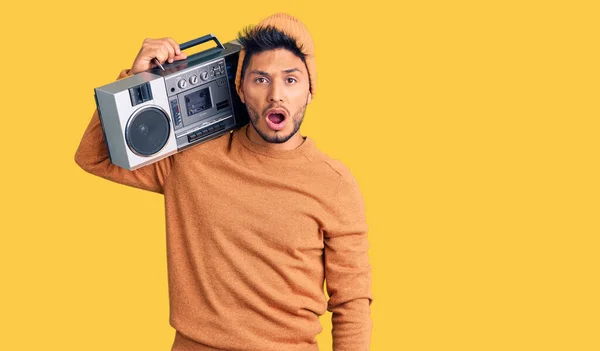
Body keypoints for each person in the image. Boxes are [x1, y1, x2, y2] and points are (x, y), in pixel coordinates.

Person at [75, 12, 372, 351]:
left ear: (309, 90)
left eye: (291, 80)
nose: (276, 95)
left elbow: (352, 303)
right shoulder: (190, 158)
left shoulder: (335, 184)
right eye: (261, 79)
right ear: (240, 89)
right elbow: (93, 157)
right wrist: (134, 83)